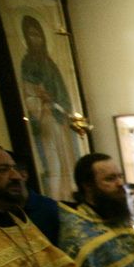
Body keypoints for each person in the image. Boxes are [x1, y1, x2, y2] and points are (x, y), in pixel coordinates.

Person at [19, 14, 81, 201]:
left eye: (38, 35)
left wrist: (57, 103)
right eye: (32, 35)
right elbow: (29, 94)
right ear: (26, 38)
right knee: (54, 164)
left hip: (59, 116)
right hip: (45, 117)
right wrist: (41, 100)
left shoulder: (50, 63)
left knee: (67, 161)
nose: (36, 39)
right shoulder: (27, 63)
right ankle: (56, 198)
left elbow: (63, 93)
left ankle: (69, 196)